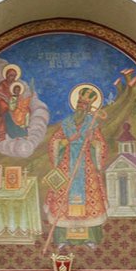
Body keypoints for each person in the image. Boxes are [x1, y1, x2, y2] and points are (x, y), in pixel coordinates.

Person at [45, 84, 109, 246]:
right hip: (67, 164)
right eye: (79, 104)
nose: (81, 107)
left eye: (84, 105)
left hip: (86, 164)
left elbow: (101, 144)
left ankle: (91, 238)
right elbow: (54, 142)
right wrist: (68, 140)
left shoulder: (92, 123)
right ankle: (61, 238)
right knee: (62, 199)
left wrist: (92, 141)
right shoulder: (66, 123)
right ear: (76, 105)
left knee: (89, 200)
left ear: (89, 108)